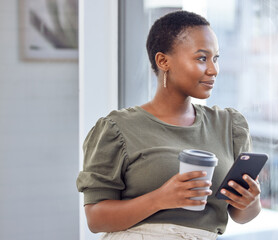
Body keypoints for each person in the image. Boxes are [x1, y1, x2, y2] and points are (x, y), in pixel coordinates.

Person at [76, 10, 261, 240]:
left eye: (216, 58)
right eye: (202, 58)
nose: (213, 70)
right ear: (163, 61)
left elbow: (240, 215)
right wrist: (161, 198)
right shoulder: (117, 129)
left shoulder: (229, 125)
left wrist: (251, 201)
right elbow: (96, 219)